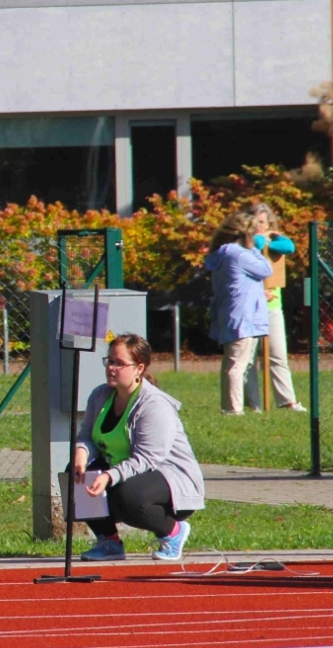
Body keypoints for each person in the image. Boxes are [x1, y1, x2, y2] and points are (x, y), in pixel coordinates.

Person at [71, 334, 206, 562]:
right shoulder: (100, 395)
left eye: (119, 363)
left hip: (169, 478)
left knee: (128, 497)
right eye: (110, 361)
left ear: (138, 368)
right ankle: (109, 542)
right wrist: (81, 453)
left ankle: (173, 532)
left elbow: (147, 459)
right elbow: (87, 435)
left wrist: (108, 476)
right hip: (125, 473)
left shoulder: (154, 405)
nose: (112, 368)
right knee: (76, 476)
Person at [204, 210, 271, 416]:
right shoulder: (239, 254)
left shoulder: (222, 254)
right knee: (238, 365)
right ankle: (234, 410)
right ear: (244, 234)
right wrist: (256, 248)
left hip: (230, 313)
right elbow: (265, 270)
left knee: (231, 363)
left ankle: (228, 407)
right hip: (244, 316)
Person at [248, 203, 304, 412]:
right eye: (254, 222)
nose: (258, 226)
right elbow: (256, 243)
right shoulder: (244, 241)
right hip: (249, 308)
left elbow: (288, 247)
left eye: (262, 222)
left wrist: (273, 236)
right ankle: (253, 404)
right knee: (249, 359)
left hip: (272, 307)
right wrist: (266, 235)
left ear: (269, 223)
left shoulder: (273, 241)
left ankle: (287, 401)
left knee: (278, 354)